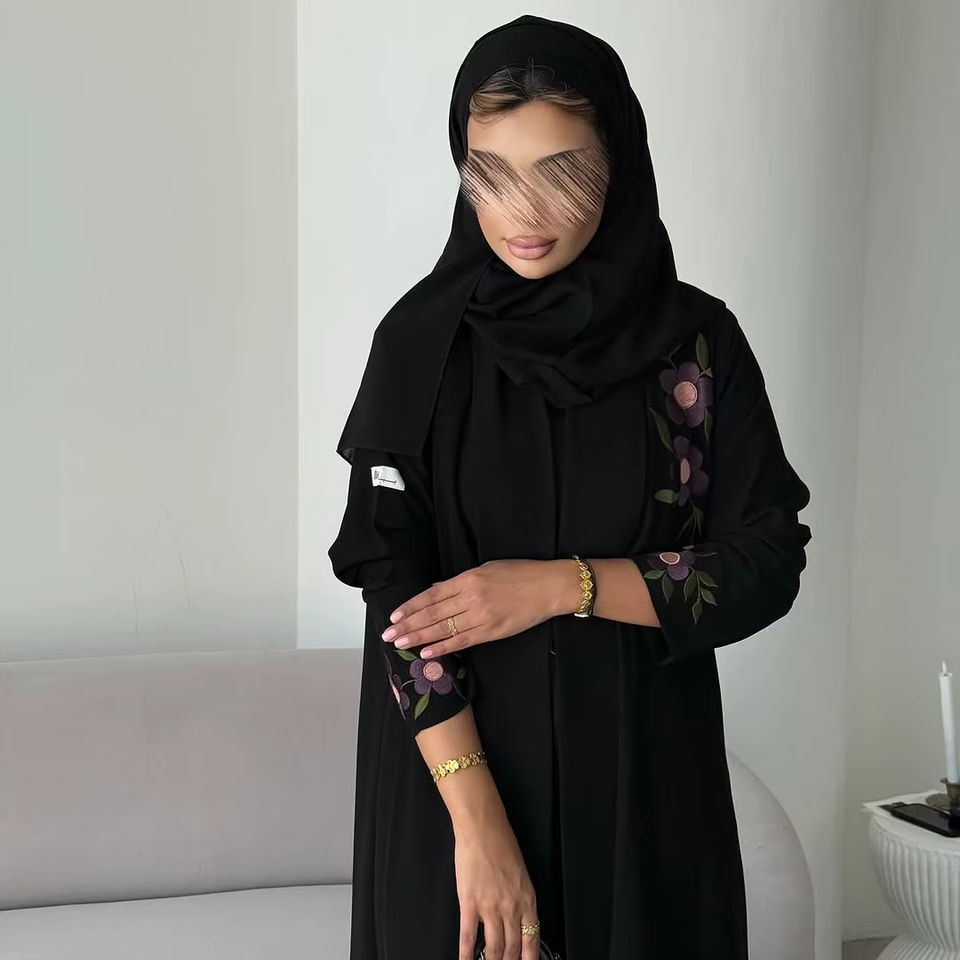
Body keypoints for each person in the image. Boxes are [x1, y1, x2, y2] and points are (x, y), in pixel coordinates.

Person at [327, 14, 812, 960]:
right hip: (453, 798)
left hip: (646, 792)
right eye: (490, 172)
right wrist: (477, 825)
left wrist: (562, 585)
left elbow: (767, 562)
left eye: (562, 171)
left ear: (618, 162)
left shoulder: (696, 347)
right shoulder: (419, 348)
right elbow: (394, 597)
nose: (523, 210)